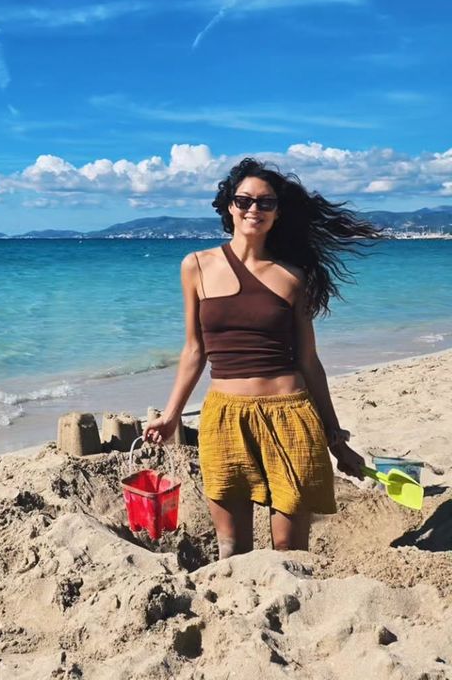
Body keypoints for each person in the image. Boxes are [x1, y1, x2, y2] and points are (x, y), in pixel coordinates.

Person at [144, 157, 377, 558]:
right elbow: (193, 350)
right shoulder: (196, 266)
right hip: (223, 418)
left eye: (265, 203)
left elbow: (308, 360)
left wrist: (336, 440)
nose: (254, 209)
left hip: (291, 415)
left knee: (290, 551)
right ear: (229, 207)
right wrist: (171, 415)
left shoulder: (293, 276)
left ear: (277, 212)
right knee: (232, 550)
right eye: (244, 200)